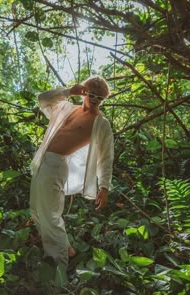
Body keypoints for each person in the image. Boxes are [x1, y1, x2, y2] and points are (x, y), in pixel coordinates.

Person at [30, 76, 114, 268]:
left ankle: (59, 265)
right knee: (35, 211)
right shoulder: (67, 108)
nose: (94, 99)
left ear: (103, 99)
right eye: (92, 94)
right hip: (42, 160)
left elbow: (106, 156)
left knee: (51, 215)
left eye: (100, 97)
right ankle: (67, 249)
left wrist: (104, 186)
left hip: (57, 165)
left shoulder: (101, 123)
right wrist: (69, 92)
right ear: (84, 91)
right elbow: (43, 98)